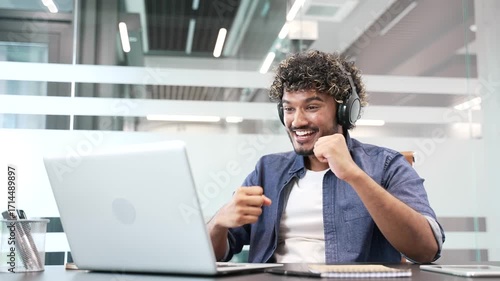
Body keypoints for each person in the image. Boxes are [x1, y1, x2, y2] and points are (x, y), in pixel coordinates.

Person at [207, 50, 445, 264]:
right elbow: (215, 253)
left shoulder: (385, 165)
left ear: (345, 111)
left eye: (311, 107)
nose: (297, 121)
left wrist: (354, 175)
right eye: (289, 108)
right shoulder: (267, 170)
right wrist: (219, 223)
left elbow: (426, 249)